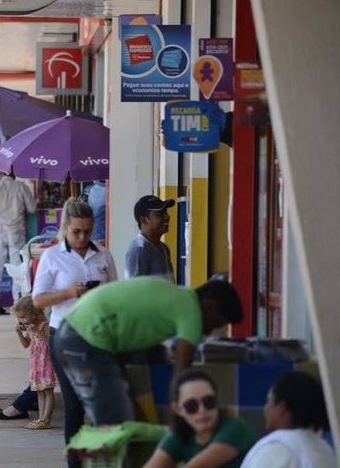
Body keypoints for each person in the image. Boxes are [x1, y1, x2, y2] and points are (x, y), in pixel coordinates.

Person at [53, 277, 244, 427]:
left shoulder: (173, 299)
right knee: (116, 424)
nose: (208, 333)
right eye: (214, 324)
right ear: (210, 306)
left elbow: (119, 365)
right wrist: (175, 422)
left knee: (116, 419)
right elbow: (181, 378)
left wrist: (136, 411)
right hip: (85, 338)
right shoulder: (191, 312)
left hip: (68, 333)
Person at [32, 198, 117, 451]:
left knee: (101, 401)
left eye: (87, 232)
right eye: (76, 231)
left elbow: (113, 295)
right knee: (74, 403)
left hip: (97, 335)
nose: (81, 237)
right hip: (64, 336)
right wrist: (69, 293)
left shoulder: (103, 255)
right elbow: (38, 300)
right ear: (65, 227)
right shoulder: (52, 256)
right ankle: (75, 459)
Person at [144, 369, 256, 468]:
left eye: (209, 402)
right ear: (178, 409)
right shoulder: (180, 435)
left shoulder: (236, 429)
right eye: (191, 406)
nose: (202, 410)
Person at [241, 371, 337, 468]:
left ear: (282, 407)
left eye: (268, 401)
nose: (265, 408)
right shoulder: (325, 449)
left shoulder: (276, 448)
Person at [0, 171, 36, 314]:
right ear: (14, 173)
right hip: (16, 232)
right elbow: (32, 208)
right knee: (17, 268)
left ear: (0, 173)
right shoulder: (21, 187)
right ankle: (17, 302)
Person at [12, 296, 56, 430]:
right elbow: (26, 344)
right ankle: (41, 418)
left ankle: (46, 419)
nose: (21, 321)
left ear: (34, 313)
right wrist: (19, 333)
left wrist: (38, 331)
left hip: (46, 361)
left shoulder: (44, 324)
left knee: (48, 390)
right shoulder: (30, 328)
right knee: (39, 391)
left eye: (23, 317)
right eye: (19, 318)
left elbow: (50, 343)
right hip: (36, 363)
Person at [125, 195, 176, 281]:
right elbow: (135, 290)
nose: (167, 217)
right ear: (144, 220)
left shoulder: (164, 248)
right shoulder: (138, 250)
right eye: (159, 214)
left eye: (166, 212)